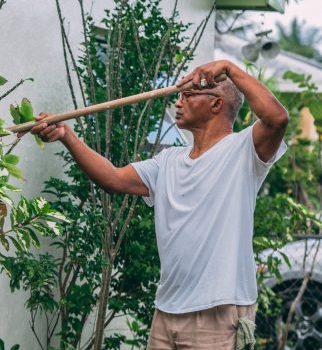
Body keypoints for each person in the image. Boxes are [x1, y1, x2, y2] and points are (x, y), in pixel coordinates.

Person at [22, 60, 288, 349]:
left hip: (217, 312)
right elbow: (112, 178)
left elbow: (277, 119)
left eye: (189, 95)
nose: (179, 101)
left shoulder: (242, 151)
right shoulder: (168, 162)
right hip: (168, 311)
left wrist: (228, 68)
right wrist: (66, 135)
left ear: (216, 104)